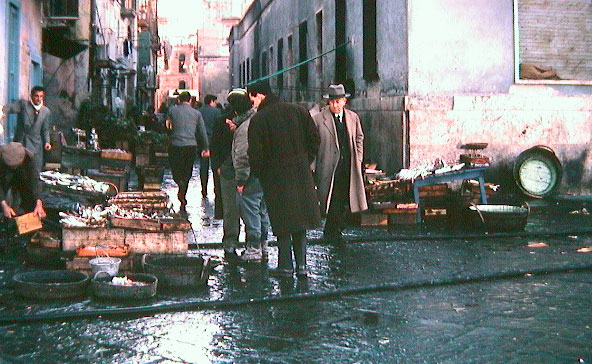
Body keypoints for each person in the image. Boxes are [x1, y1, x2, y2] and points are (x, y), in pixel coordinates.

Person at [247, 80, 321, 277]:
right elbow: (315, 139)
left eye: (252, 98)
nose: (252, 103)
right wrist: (305, 161)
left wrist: (261, 173)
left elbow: (256, 155)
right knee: (300, 221)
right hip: (300, 175)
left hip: (275, 179)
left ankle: (286, 266)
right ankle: (302, 266)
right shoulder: (299, 111)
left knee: (282, 223)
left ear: (260, 96)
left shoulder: (259, 120)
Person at [313, 84, 368, 244]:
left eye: (338, 102)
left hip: (348, 165)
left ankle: (336, 227)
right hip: (328, 166)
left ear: (344, 102)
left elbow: (359, 137)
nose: (334, 105)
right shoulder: (318, 120)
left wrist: (358, 158)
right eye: (332, 102)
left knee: (346, 196)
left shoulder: (352, 117)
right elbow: (313, 144)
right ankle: (332, 229)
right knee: (332, 197)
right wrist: (314, 166)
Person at [231, 90, 271, 263]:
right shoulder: (258, 119)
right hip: (263, 173)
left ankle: (254, 249)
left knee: (250, 210)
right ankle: (263, 246)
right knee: (262, 210)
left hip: (251, 175)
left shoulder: (244, 129)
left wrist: (241, 181)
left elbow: (242, 157)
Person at [211, 89, 243, 262]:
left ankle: (243, 242)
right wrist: (218, 166)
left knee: (242, 208)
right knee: (231, 208)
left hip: (241, 168)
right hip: (228, 168)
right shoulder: (222, 121)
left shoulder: (249, 120)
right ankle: (231, 242)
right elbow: (215, 145)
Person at [165, 91, 210, 210]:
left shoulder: (172, 110)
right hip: (190, 145)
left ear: (179, 100)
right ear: (190, 100)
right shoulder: (196, 113)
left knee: (176, 168)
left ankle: (179, 183)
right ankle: (183, 191)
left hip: (175, 144)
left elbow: (167, 126)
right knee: (187, 170)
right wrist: (205, 147)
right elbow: (202, 131)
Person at [1, 86, 52, 172]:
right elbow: (11, 108)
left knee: (33, 170)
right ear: (31, 96)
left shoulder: (45, 111)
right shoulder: (24, 105)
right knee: (18, 170)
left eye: (41, 96)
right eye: (36, 96)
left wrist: (47, 142)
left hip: (35, 145)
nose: (38, 99)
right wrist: (2, 111)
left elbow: (45, 129)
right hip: (21, 142)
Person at [0, 142, 46, 219]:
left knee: (29, 197)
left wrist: (39, 203)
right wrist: (3, 204)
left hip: (22, 176)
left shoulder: (29, 157)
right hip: (4, 175)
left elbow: (34, 180)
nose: (14, 168)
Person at [198, 94, 222, 198]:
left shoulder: (199, 111)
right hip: (214, 141)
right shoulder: (217, 112)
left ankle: (204, 188)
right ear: (211, 101)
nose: (216, 104)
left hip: (202, 141)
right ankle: (216, 188)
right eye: (215, 102)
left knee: (203, 166)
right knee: (215, 165)